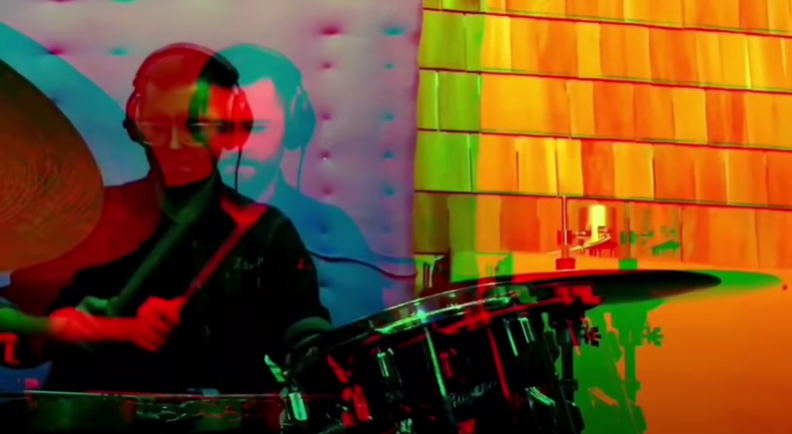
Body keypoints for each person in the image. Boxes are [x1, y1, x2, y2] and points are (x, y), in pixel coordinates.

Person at [0, 43, 331, 393]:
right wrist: (56, 330)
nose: (174, 144)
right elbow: (10, 329)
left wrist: (316, 357)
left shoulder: (266, 231)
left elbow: (308, 339)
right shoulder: (84, 221)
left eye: (195, 126)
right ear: (135, 127)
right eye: (158, 126)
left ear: (232, 130)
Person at [206, 44, 405, 326]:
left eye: (256, 128)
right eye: (224, 127)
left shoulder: (336, 231)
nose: (239, 145)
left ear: (293, 128)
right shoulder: (169, 229)